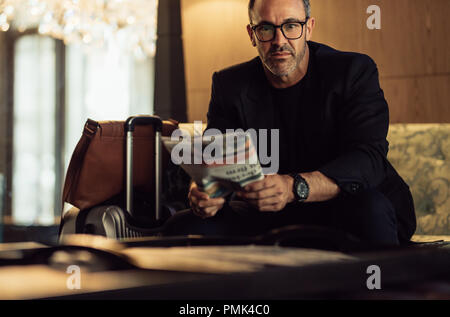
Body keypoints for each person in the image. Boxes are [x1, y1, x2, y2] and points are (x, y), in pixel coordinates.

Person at [163, 0, 416, 246]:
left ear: (309, 28)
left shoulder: (353, 71)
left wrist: (293, 187)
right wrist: (205, 191)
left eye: (291, 25)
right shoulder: (229, 85)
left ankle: (379, 286)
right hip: (270, 214)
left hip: (347, 203)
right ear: (252, 34)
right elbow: (215, 161)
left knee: (369, 210)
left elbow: (369, 159)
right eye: (266, 29)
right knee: (183, 227)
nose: (279, 41)